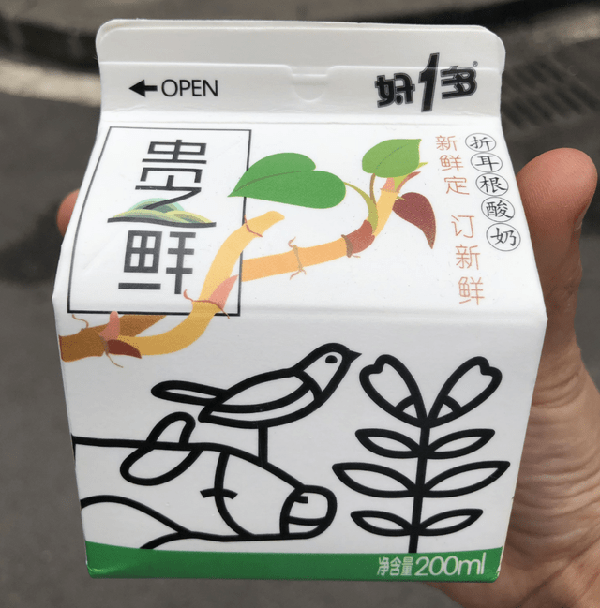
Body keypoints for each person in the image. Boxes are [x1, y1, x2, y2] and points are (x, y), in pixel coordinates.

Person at [56, 148, 599, 607]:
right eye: (335, 365)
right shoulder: (299, 387)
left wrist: (578, 559)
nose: (338, 373)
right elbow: (251, 410)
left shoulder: (305, 386)